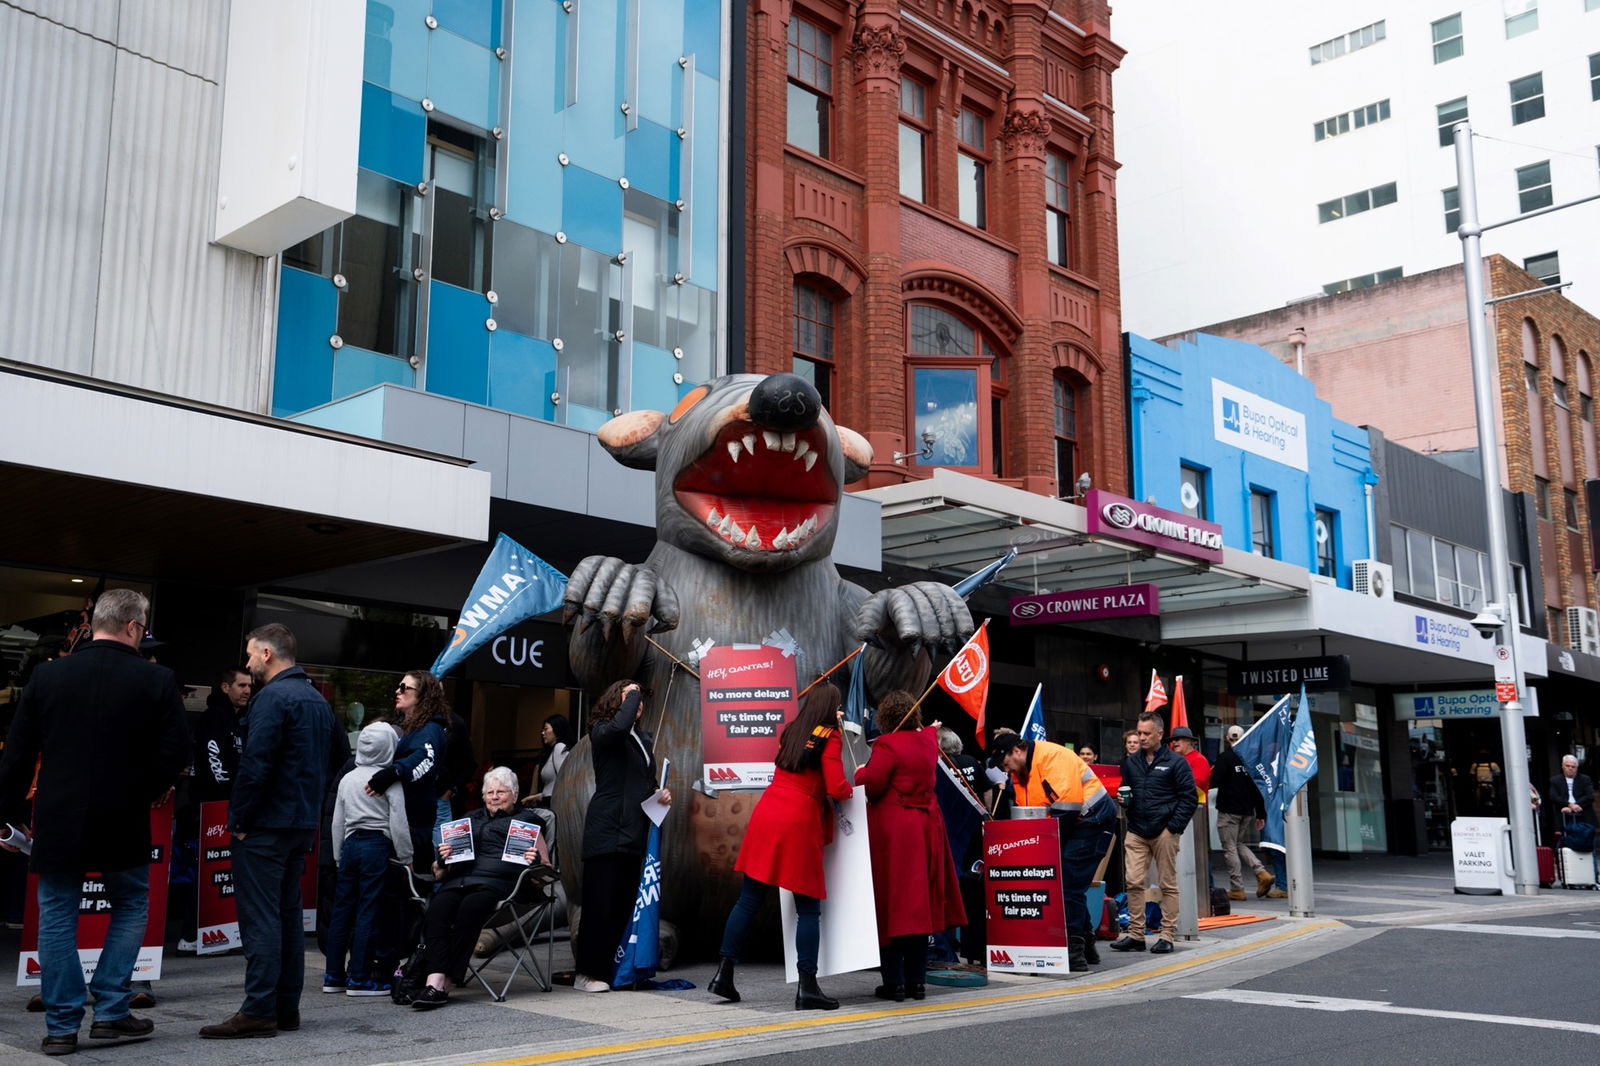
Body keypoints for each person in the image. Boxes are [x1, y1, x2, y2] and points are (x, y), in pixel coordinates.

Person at [0, 589, 189, 1056]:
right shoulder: (157, 680)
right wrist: (140, 791)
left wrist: (7, 817)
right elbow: (175, 755)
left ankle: (62, 1025)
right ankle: (109, 1011)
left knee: (58, 911)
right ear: (131, 627)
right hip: (122, 816)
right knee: (129, 904)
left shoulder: (48, 677)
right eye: (143, 629)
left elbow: (18, 756)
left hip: (59, 815)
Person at [201, 623, 345, 1040]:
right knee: (286, 918)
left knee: (262, 918)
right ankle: (285, 1008)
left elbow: (256, 764)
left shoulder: (272, 698)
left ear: (267, 654)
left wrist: (240, 821)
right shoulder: (318, 700)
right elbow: (340, 756)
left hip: (265, 826)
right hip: (299, 825)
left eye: (249, 655)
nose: (247, 663)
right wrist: (309, 799)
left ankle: (260, 1009)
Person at [708, 683, 852, 1010]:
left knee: (748, 899)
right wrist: (853, 787)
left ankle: (723, 975)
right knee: (808, 910)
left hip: (768, 812)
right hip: (798, 821)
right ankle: (808, 987)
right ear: (832, 707)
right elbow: (837, 787)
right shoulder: (830, 736)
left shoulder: (791, 729)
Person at [857, 691, 965, 1002]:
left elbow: (874, 784)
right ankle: (917, 982)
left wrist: (859, 772)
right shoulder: (928, 742)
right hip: (927, 828)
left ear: (886, 717)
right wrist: (930, 728)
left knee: (890, 905)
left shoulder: (887, 744)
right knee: (918, 907)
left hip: (895, 831)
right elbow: (929, 733)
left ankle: (894, 984)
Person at [990, 729, 1115, 972]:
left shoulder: (1051, 758)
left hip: (1091, 819)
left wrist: (1044, 847)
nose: (1006, 770)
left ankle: (1074, 950)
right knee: (1069, 884)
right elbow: (1030, 813)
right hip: (1076, 821)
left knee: (1068, 883)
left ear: (1016, 751)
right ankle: (1085, 942)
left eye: (1006, 763)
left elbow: (1067, 809)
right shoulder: (1021, 770)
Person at [574, 681, 670, 993]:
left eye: (640, 698)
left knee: (623, 904)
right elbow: (618, 727)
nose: (637, 702)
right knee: (600, 904)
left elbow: (643, 782)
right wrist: (631, 696)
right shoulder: (603, 731)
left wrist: (659, 794)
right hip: (606, 829)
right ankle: (588, 973)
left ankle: (616, 969)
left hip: (633, 830)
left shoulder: (640, 740)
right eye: (630, 696)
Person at [410, 767, 530, 1009]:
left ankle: (446, 982)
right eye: (490, 792)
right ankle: (434, 978)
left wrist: (534, 859)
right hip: (460, 880)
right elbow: (440, 870)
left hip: (498, 884)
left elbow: (544, 866)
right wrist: (443, 858)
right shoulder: (468, 819)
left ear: (515, 795)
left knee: (470, 908)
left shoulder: (527, 821)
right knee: (437, 908)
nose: (494, 797)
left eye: (501, 792)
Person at [323, 723, 413, 997]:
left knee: (341, 912)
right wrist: (407, 856)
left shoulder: (348, 778)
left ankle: (333, 975)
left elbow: (337, 822)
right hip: (377, 846)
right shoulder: (388, 779)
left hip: (350, 845)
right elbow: (398, 822)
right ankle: (359, 979)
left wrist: (338, 855)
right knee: (368, 910)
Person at [175, 667, 253, 951]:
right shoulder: (214, 719)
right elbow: (214, 762)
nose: (247, 690)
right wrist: (229, 796)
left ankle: (213, 933)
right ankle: (192, 936)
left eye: (249, 685)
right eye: (241, 685)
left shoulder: (237, 719)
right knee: (204, 871)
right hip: (209, 808)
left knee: (220, 870)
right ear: (224, 687)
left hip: (226, 807)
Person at [1110, 712, 1195, 955]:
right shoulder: (1130, 762)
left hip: (1164, 831)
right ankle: (1136, 935)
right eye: (1139, 732)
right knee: (1134, 882)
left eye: (1147, 733)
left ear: (1160, 733)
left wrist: (1172, 828)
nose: (1142, 737)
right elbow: (1127, 790)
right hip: (1137, 829)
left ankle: (1167, 935)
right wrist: (1123, 801)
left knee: (1167, 883)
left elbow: (1188, 799)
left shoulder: (1177, 762)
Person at [367, 671, 450, 867]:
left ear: (423, 695)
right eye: (399, 686)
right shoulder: (411, 726)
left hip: (413, 826)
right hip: (403, 823)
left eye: (405, 688)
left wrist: (393, 772)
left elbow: (424, 759)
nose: (398, 691)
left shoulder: (430, 729)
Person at [1213, 725, 1274, 902]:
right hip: (1247, 810)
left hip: (1228, 810)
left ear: (1227, 738)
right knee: (1238, 843)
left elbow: (1215, 780)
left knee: (1229, 848)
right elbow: (1258, 788)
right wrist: (1261, 814)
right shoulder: (1251, 760)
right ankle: (1261, 871)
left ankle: (1237, 888)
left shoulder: (1225, 758)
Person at [523, 714, 574, 808]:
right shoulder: (553, 751)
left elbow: (565, 780)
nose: (542, 733)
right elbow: (552, 789)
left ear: (557, 729)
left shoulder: (559, 747)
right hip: (550, 803)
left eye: (546, 729)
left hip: (554, 806)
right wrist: (537, 797)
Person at [1548, 756, 1596, 834]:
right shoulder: (1555, 780)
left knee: (1586, 839)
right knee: (1566, 841)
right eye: (1567, 766)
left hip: (1583, 814)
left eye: (1573, 766)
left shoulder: (1585, 779)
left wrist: (1576, 805)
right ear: (1562, 766)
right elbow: (1553, 797)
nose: (1570, 768)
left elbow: (1590, 796)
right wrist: (1569, 805)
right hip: (1563, 815)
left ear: (1577, 768)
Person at [1170, 726, 1211, 795]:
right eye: (1172, 740)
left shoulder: (1199, 760)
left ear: (1188, 740)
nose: (1173, 742)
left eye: (1176, 739)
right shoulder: (1173, 760)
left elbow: (1195, 786)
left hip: (1194, 804)